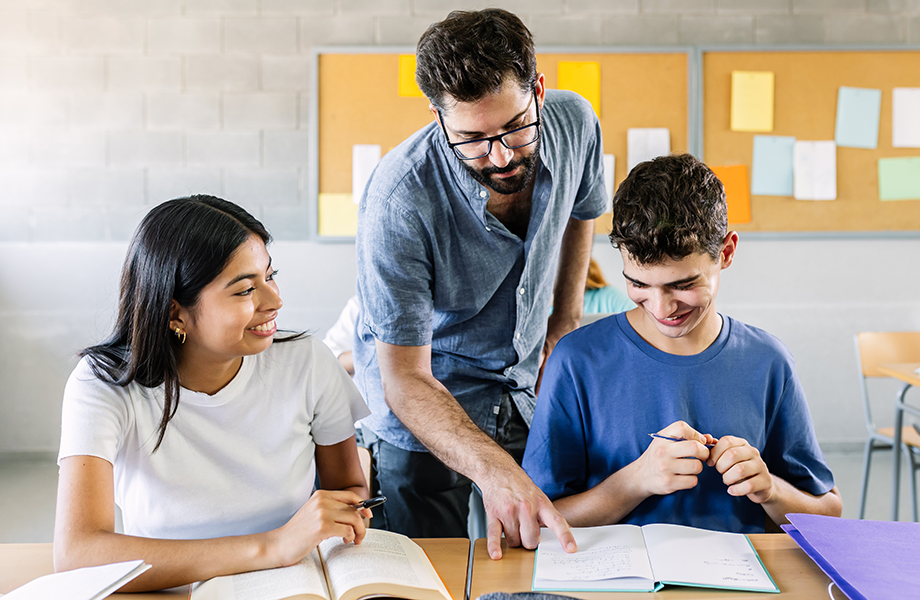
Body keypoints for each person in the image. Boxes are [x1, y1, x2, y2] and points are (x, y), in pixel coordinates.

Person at [354, 8, 606, 557]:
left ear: (539, 88)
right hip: (424, 409)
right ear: (437, 115)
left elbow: (583, 212)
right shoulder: (397, 200)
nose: (501, 156)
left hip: (519, 386)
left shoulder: (576, 123)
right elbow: (405, 379)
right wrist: (493, 468)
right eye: (472, 137)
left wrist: (563, 323)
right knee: (428, 572)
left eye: (516, 125)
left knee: (527, 561)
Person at [54, 196, 372, 591]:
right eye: (244, 291)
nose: (275, 301)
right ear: (175, 314)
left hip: (291, 585)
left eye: (270, 276)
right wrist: (271, 547)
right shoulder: (102, 384)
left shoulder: (306, 361)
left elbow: (348, 489)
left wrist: (342, 514)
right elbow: (78, 554)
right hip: (170, 592)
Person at [523, 154, 842, 533]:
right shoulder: (577, 361)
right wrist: (635, 482)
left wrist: (771, 490)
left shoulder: (768, 362)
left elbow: (830, 513)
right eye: (639, 284)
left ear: (725, 253)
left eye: (683, 285)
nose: (662, 308)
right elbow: (539, 521)